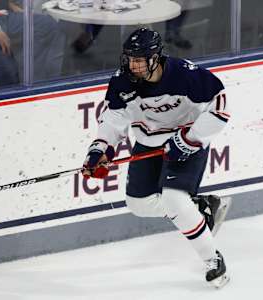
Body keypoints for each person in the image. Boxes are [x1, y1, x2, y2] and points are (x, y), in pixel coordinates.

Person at [81, 27, 231, 287]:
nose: (133, 65)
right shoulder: (122, 82)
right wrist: (100, 149)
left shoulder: (185, 75)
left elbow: (220, 107)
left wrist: (189, 139)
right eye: (129, 58)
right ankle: (200, 209)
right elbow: (114, 119)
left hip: (187, 140)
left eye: (139, 60)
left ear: (155, 58)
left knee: (173, 199)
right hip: (149, 142)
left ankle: (213, 260)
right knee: (138, 204)